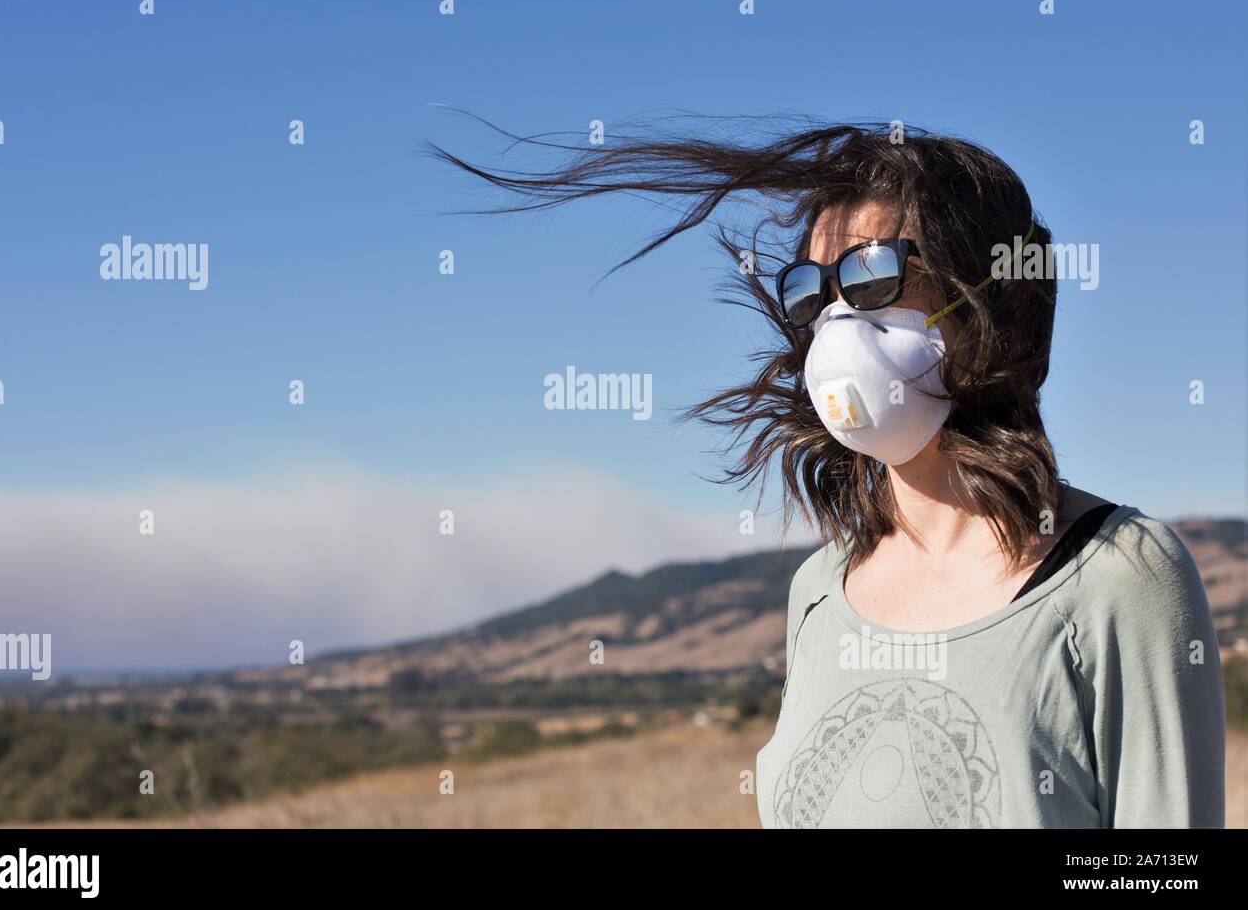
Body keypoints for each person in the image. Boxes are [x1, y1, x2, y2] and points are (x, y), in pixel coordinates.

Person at [432, 118, 1226, 828]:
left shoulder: (1120, 576)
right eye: (812, 292)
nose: (837, 318)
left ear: (992, 298)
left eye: (875, 273)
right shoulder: (818, 592)